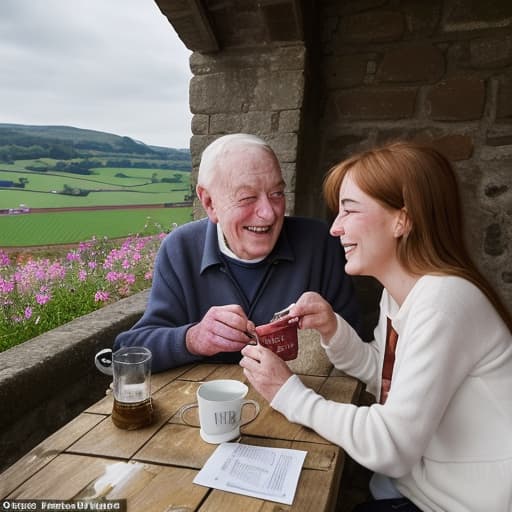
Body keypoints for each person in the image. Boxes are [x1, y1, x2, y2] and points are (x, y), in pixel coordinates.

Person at [240, 141, 512, 512]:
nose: (335, 228)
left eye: (349, 211)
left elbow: (391, 447)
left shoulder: (444, 301)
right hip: (414, 491)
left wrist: (287, 392)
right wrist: (333, 330)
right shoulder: (401, 293)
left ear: (402, 219)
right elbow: (386, 378)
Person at [114, 133, 359, 372]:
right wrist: (192, 338)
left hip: (300, 404)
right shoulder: (180, 249)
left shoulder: (320, 243)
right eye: (247, 197)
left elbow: (359, 343)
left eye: (277, 193)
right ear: (209, 202)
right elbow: (129, 349)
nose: (269, 213)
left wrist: (332, 327)